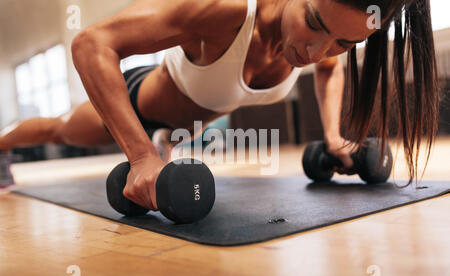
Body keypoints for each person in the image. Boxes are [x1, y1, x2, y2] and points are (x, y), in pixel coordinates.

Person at [0, 0, 439, 212]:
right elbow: (91, 41)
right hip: (141, 103)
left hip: (177, 130)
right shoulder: (224, 12)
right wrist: (138, 157)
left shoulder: (324, 45)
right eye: (314, 24)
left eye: (344, 42)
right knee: (59, 130)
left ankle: (161, 145)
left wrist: (332, 137)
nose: (316, 51)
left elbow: (330, 70)